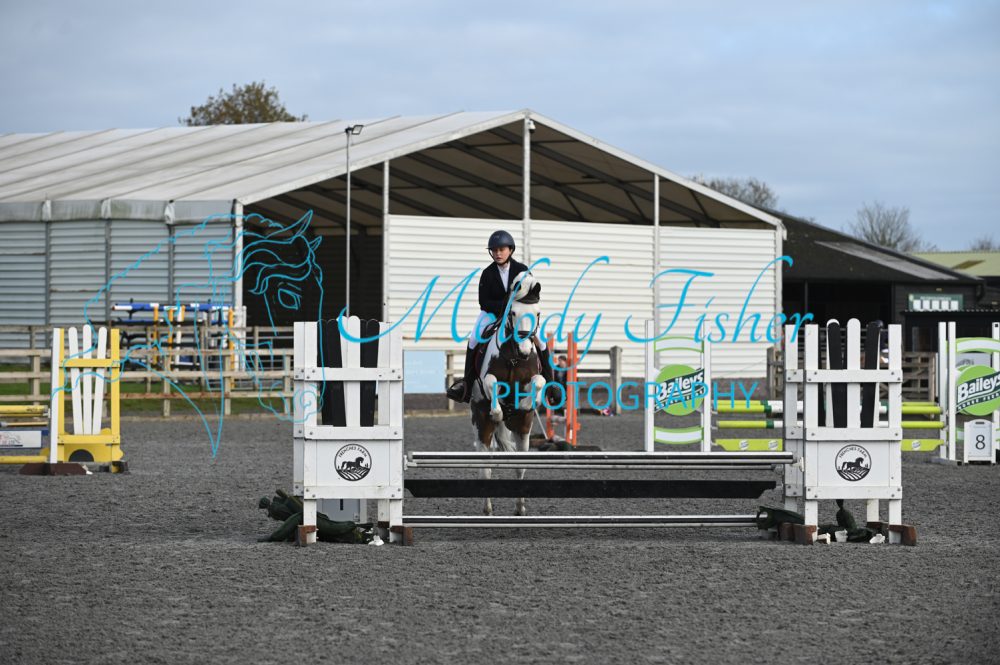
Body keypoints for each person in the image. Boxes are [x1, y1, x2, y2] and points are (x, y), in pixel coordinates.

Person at [447, 229, 552, 403]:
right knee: (473, 339)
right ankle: (467, 384)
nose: (498, 253)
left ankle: (552, 385)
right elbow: (483, 302)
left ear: (510, 250)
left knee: (541, 340)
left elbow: (532, 294)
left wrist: (515, 309)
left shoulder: (522, 270)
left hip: (519, 315)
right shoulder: (488, 273)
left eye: (501, 249)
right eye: (494, 250)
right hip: (492, 314)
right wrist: (504, 308)